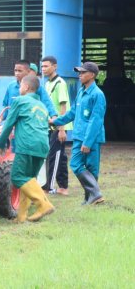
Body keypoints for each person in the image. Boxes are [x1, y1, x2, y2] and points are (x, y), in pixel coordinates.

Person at [0, 76, 55, 222]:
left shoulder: (20, 101)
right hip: (43, 146)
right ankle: (21, 216)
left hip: (27, 144)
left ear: (26, 87)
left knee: (17, 177)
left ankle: (44, 204)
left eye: (20, 85)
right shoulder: (42, 106)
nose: (19, 87)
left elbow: (9, 124)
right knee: (28, 179)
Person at [50, 62, 106, 206]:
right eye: (79, 72)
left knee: (91, 168)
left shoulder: (97, 94)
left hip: (91, 138)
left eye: (83, 72)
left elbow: (96, 121)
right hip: (79, 136)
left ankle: (92, 197)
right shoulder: (81, 91)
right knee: (76, 164)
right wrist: (56, 122)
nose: (79, 75)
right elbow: (72, 112)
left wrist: (87, 142)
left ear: (92, 75)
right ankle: (94, 195)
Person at [41, 55, 72, 195]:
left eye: (46, 66)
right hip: (49, 125)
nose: (43, 69)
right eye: (42, 66)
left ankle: (50, 187)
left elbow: (63, 107)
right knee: (59, 156)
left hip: (57, 126)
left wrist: (61, 129)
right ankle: (63, 186)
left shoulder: (60, 83)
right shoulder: (47, 83)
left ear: (55, 66)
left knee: (55, 156)